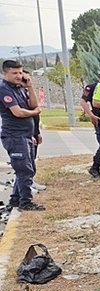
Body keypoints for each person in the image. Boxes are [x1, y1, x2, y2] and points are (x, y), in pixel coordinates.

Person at [0, 60, 44, 211]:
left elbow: (32, 104)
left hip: (25, 135)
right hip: (14, 136)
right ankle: (26, 203)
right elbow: (18, 112)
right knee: (24, 170)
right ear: (4, 73)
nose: (19, 76)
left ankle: (15, 199)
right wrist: (35, 112)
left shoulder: (19, 88)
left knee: (28, 167)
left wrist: (30, 86)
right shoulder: (4, 89)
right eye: (14, 73)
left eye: (20, 72)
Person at [81, 68, 100, 178]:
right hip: (99, 119)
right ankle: (95, 167)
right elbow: (83, 101)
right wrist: (90, 114)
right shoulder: (92, 87)